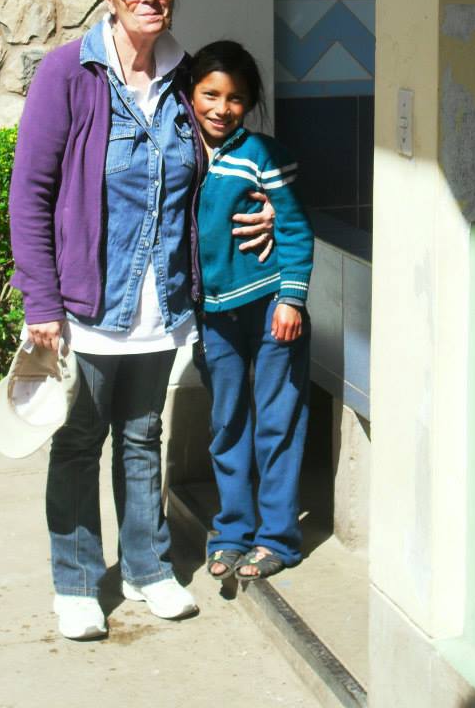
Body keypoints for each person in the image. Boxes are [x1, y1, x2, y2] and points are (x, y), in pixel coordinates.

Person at [9, 0, 274, 640]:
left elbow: (226, 157)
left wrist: (269, 204)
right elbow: (30, 194)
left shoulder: (185, 75)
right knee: (79, 439)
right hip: (89, 302)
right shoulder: (70, 74)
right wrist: (41, 301)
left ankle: (147, 568)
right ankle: (75, 582)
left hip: (164, 299)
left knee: (142, 435)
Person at [190, 40, 314, 582]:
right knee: (227, 422)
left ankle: (277, 539)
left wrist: (291, 298)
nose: (222, 108)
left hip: (270, 310)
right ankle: (232, 532)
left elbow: (295, 227)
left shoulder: (263, 154)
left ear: (251, 102)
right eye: (210, 94)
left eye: (236, 98)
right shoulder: (181, 151)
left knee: (277, 422)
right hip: (213, 316)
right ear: (191, 94)